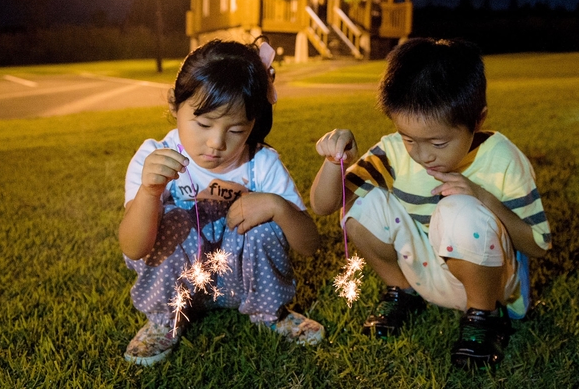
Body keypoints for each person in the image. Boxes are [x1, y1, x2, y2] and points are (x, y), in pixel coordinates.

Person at [310, 38, 551, 370]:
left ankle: (484, 317)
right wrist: (333, 161)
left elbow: (538, 245)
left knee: (459, 209)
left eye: (438, 142)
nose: (422, 155)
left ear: (478, 120)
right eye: (409, 138)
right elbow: (325, 206)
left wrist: (482, 197)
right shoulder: (393, 151)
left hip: (490, 281)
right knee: (361, 206)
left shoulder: (501, 158)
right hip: (422, 271)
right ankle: (401, 292)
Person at [119, 39, 324, 366]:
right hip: (180, 289)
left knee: (265, 228)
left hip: (239, 286)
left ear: (253, 123)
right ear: (175, 105)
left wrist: (277, 206)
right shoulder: (153, 157)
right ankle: (163, 321)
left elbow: (310, 245)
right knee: (171, 220)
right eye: (203, 124)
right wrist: (149, 193)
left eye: (236, 129)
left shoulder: (261, 163)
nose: (216, 143)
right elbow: (133, 247)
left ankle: (269, 312)